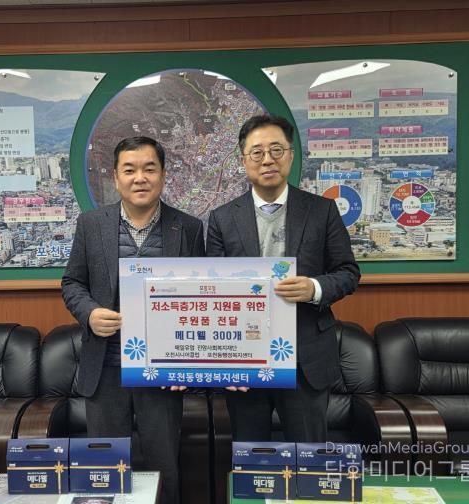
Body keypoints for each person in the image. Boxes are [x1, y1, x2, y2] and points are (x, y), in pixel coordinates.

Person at [62, 136, 205, 504]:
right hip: (106, 367)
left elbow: (201, 294)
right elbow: (72, 283)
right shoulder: (91, 224)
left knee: (164, 467)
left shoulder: (188, 228)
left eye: (149, 169)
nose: (140, 178)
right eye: (129, 170)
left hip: (163, 369)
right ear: (115, 176)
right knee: (105, 470)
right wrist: (89, 313)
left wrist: (189, 363)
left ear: (163, 174)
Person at [206, 114, 360, 442]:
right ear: (244, 160)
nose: (267, 160)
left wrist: (314, 288)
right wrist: (224, 360)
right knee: (251, 454)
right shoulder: (222, 218)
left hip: (306, 356)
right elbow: (214, 290)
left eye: (276, 150)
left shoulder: (322, 211)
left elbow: (348, 272)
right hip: (244, 357)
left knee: (308, 454)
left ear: (290, 155)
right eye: (257, 152)